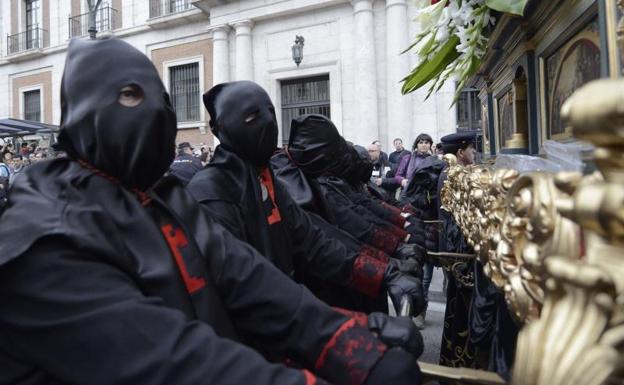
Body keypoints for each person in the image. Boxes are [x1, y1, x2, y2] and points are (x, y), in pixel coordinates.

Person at [0, 38, 423, 385]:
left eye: (163, 99)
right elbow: (170, 360)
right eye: (130, 95)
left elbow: (247, 276)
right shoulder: (41, 238)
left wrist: (345, 339)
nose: (155, 112)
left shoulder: (162, 197)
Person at [187, 82, 423, 315]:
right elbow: (245, 286)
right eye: (251, 117)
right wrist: (349, 331)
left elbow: (315, 240)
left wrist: (383, 273)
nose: (267, 124)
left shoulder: (268, 180)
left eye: (271, 113)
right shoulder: (211, 192)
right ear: (220, 129)